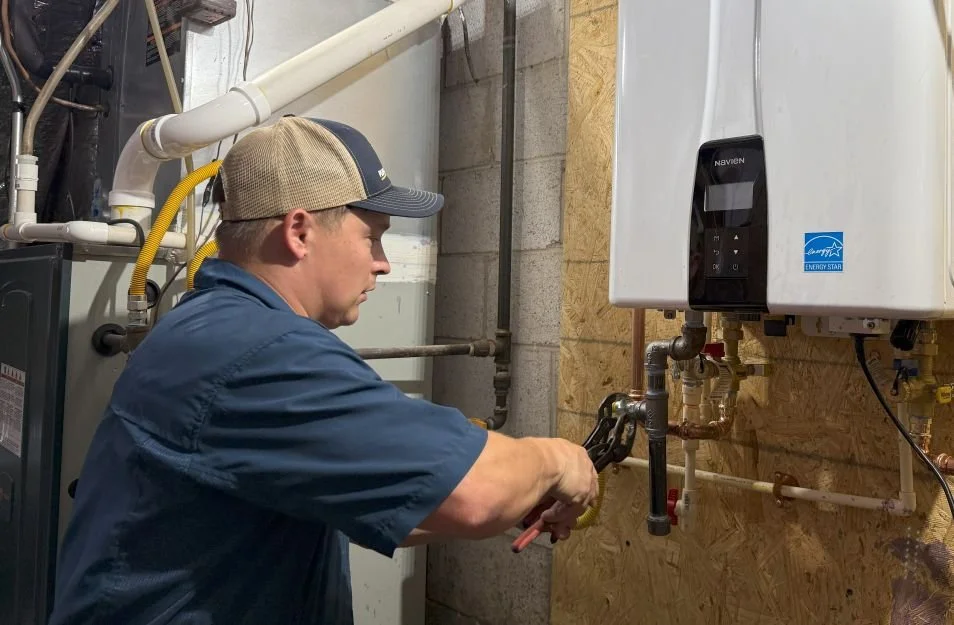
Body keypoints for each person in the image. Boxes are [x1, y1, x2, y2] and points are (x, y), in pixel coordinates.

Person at [49, 116, 599, 625]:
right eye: (373, 235)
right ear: (300, 231)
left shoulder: (210, 327)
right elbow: (477, 491)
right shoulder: (260, 351)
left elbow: (345, 499)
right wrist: (559, 461)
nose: (382, 261)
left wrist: (516, 499)